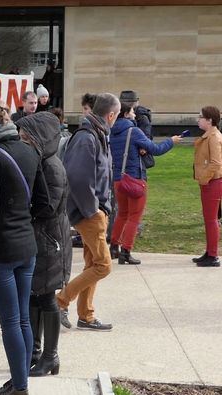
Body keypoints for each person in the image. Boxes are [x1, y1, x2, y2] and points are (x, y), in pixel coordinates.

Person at [0, 99, 48, 395]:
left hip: (0, 247)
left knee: (11, 322)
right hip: (26, 244)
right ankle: (19, 381)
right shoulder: (30, 149)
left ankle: (20, 389)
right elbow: (44, 203)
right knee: (23, 320)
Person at [58, 93, 121, 332]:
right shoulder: (87, 137)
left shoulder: (97, 134)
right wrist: (92, 210)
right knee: (103, 265)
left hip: (94, 210)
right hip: (89, 213)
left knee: (92, 264)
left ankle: (86, 315)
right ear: (111, 115)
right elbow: (78, 178)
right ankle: (60, 301)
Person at [17, 112, 72, 378]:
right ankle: (35, 352)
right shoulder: (39, 162)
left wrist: (21, 208)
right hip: (39, 238)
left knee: (47, 297)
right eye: (21, 136)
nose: (21, 140)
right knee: (34, 294)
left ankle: (50, 356)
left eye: (26, 137)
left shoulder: (50, 166)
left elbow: (47, 207)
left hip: (50, 240)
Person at [109, 102, 181, 264]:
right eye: (133, 112)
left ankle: (114, 247)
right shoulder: (133, 131)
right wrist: (171, 141)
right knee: (134, 217)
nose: (135, 115)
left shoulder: (112, 132)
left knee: (122, 214)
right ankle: (126, 252)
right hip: (134, 178)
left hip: (118, 179)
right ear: (126, 114)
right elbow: (156, 149)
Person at [192, 106, 222, 267]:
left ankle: (213, 256)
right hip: (209, 182)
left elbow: (216, 163)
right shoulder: (209, 136)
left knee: (211, 220)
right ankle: (209, 252)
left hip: (213, 182)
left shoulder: (214, 137)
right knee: (209, 219)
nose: (198, 119)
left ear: (209, 120)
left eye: (201, 117)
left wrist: (204, 179)